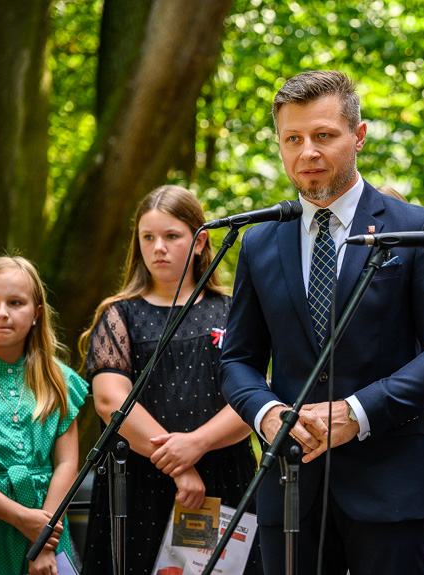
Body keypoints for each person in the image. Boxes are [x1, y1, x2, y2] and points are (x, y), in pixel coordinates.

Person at [220, 70, 424, 575]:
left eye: (323, 136)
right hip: (291, 486)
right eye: (292, 139)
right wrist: (267, 413)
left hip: (391, 487)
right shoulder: (259, 241)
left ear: (358, 137)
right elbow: (238, 359)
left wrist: (358, 412)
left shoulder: (416, 228)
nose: (307, 153)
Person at [80, 185, 261, 575]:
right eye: (148, 237)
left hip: (224, 477)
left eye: (171, 236)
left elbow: (253, 398)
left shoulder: (235, 310)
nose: (158, 247)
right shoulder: (119, 315)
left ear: (200, 242)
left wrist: (196, 444)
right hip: (140, 483)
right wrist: (179, 466)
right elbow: (112, 402)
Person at [0, 256, 86, 575]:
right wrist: (20, 519)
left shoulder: (60, 380)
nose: (2, 313)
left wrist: (43, 541)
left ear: (36, 314)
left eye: (15, 302)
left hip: (50, 524)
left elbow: (68, 464)